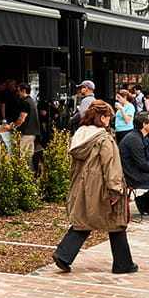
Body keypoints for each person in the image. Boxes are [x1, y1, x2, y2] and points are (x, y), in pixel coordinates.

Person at [50, 100, 136, 274]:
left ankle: (64, 254)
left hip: (81, 185)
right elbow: (111, 165)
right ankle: (123, 264)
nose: (110, 121)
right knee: (116, 222)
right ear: (103, 118)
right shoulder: (103, 138)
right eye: (109, 117)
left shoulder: (80, 135)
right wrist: (115, 189)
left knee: (84, 220)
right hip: (101, 186)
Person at [13, 83, 42, 152]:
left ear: (23, 91)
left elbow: (21, 119)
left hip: (26, 133)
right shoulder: (32, 101)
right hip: (33, 133)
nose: (17, 93)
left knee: (23, 155)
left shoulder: (25, 102)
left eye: (18, 91)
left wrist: (13, 126)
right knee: (29, 156)